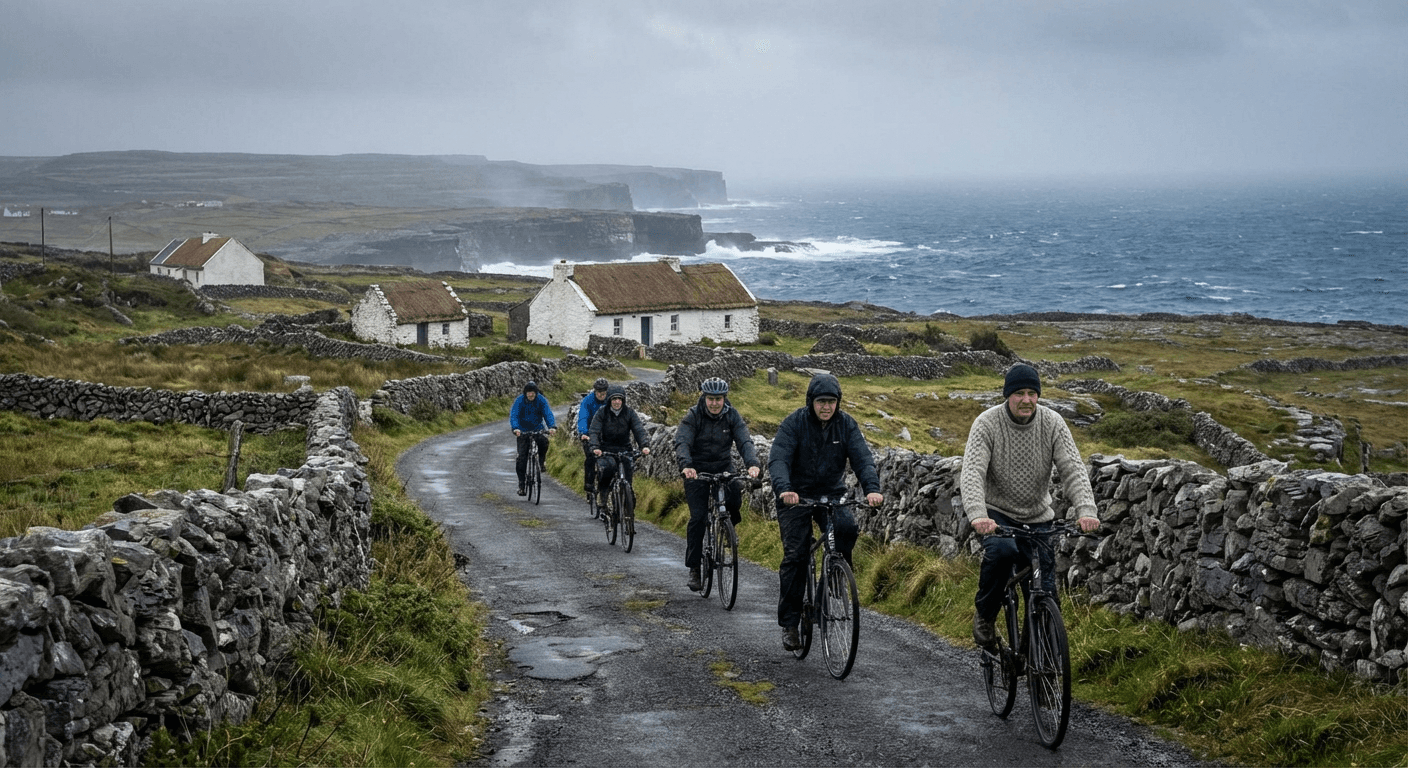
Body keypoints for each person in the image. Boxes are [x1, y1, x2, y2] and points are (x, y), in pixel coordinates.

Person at [960, 363, 1100, 651]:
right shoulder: (987, 423)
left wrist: (1086, 509)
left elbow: (1072, 468)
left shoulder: (1052, 423)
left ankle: (1042, 666)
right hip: (997, 514)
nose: (1026, 400)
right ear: (1007, 396)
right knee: (1002, 552)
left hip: (1038, 517)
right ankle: (985, 617)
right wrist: (978, 515)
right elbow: (972, 472)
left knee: (1045, 591)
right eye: (1019, 393)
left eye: (1032, 393)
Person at [768, 373, 883, 651]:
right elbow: (779, 458)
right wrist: (785, 489)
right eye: (821, 402)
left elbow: (863, 459)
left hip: (832, 494)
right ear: (811, 402)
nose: (826, 407)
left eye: (831, 402)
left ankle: (833, 578)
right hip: (796, 496)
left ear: (838, 403)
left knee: (846, 529)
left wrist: (872, 488)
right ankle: (790, 624)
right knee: (796, 556)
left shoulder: (846, 425)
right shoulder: (794, 423)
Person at [674, 377, 761, 592]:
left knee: (735, 494)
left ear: (725, 398)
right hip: (697, 470)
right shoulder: (694, 416)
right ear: (704, 397)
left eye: (719, 399)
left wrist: (752, 464)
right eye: (711, 399)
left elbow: (744, 441)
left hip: (723, 466)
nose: (714, 403)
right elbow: (682, 441)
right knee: (698, 518)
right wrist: (687, 466)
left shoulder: (732, 415)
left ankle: (728, 527)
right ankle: (694, 567)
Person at [588, 385, 651, 506]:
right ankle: (604, 496)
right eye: (614, 399)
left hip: (625, 449)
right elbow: (594, 430)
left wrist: (644, 445)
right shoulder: (602, 412)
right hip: (606, 449)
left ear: (623, 400)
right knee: (607, 470)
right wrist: (595, 447)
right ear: (609, 400)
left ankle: (627, 506)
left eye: (620, 399)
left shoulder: (630, 413)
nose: (617, 402)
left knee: (628, 474)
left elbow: (639, 430)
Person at [510, 381, 556, 496]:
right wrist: (516, 428)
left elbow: (547, 413)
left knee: (544, 441)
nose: (530, 395)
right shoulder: (519, 401)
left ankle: (541, 462)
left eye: (533, 393)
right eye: (528, 393)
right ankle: (521, 484)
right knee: (521, 458)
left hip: (538, 429)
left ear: (536, 393)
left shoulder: (541, 400)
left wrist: (552, 427)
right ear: (525, 393)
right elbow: (514, 415)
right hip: (522, 431)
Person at [577, 377, 611, 503]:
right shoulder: (588, 401)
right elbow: (583, 417)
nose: (601, 395)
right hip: (591, 434)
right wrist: (583, 433)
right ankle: (589, 485)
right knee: (591, 458)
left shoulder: (611, 400)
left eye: (604, 393)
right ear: (594, 391)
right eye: (599, 393)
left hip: (607, 435)